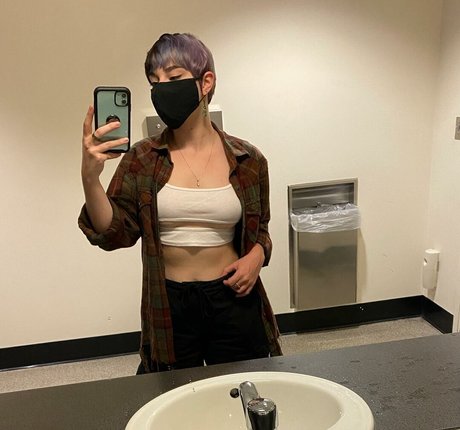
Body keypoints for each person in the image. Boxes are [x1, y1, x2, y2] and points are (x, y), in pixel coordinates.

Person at [79, 33, 282, 373]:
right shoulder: (143, 159)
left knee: (242, 391)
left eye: (173, 78)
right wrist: (90, 178)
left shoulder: (248, 160)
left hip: (232, 297)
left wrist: (257, 257)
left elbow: (261, 230)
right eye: (154, 82)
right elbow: (115, 234)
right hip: (169, 303)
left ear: (206, 82)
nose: (162, 89)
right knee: (172, 395)